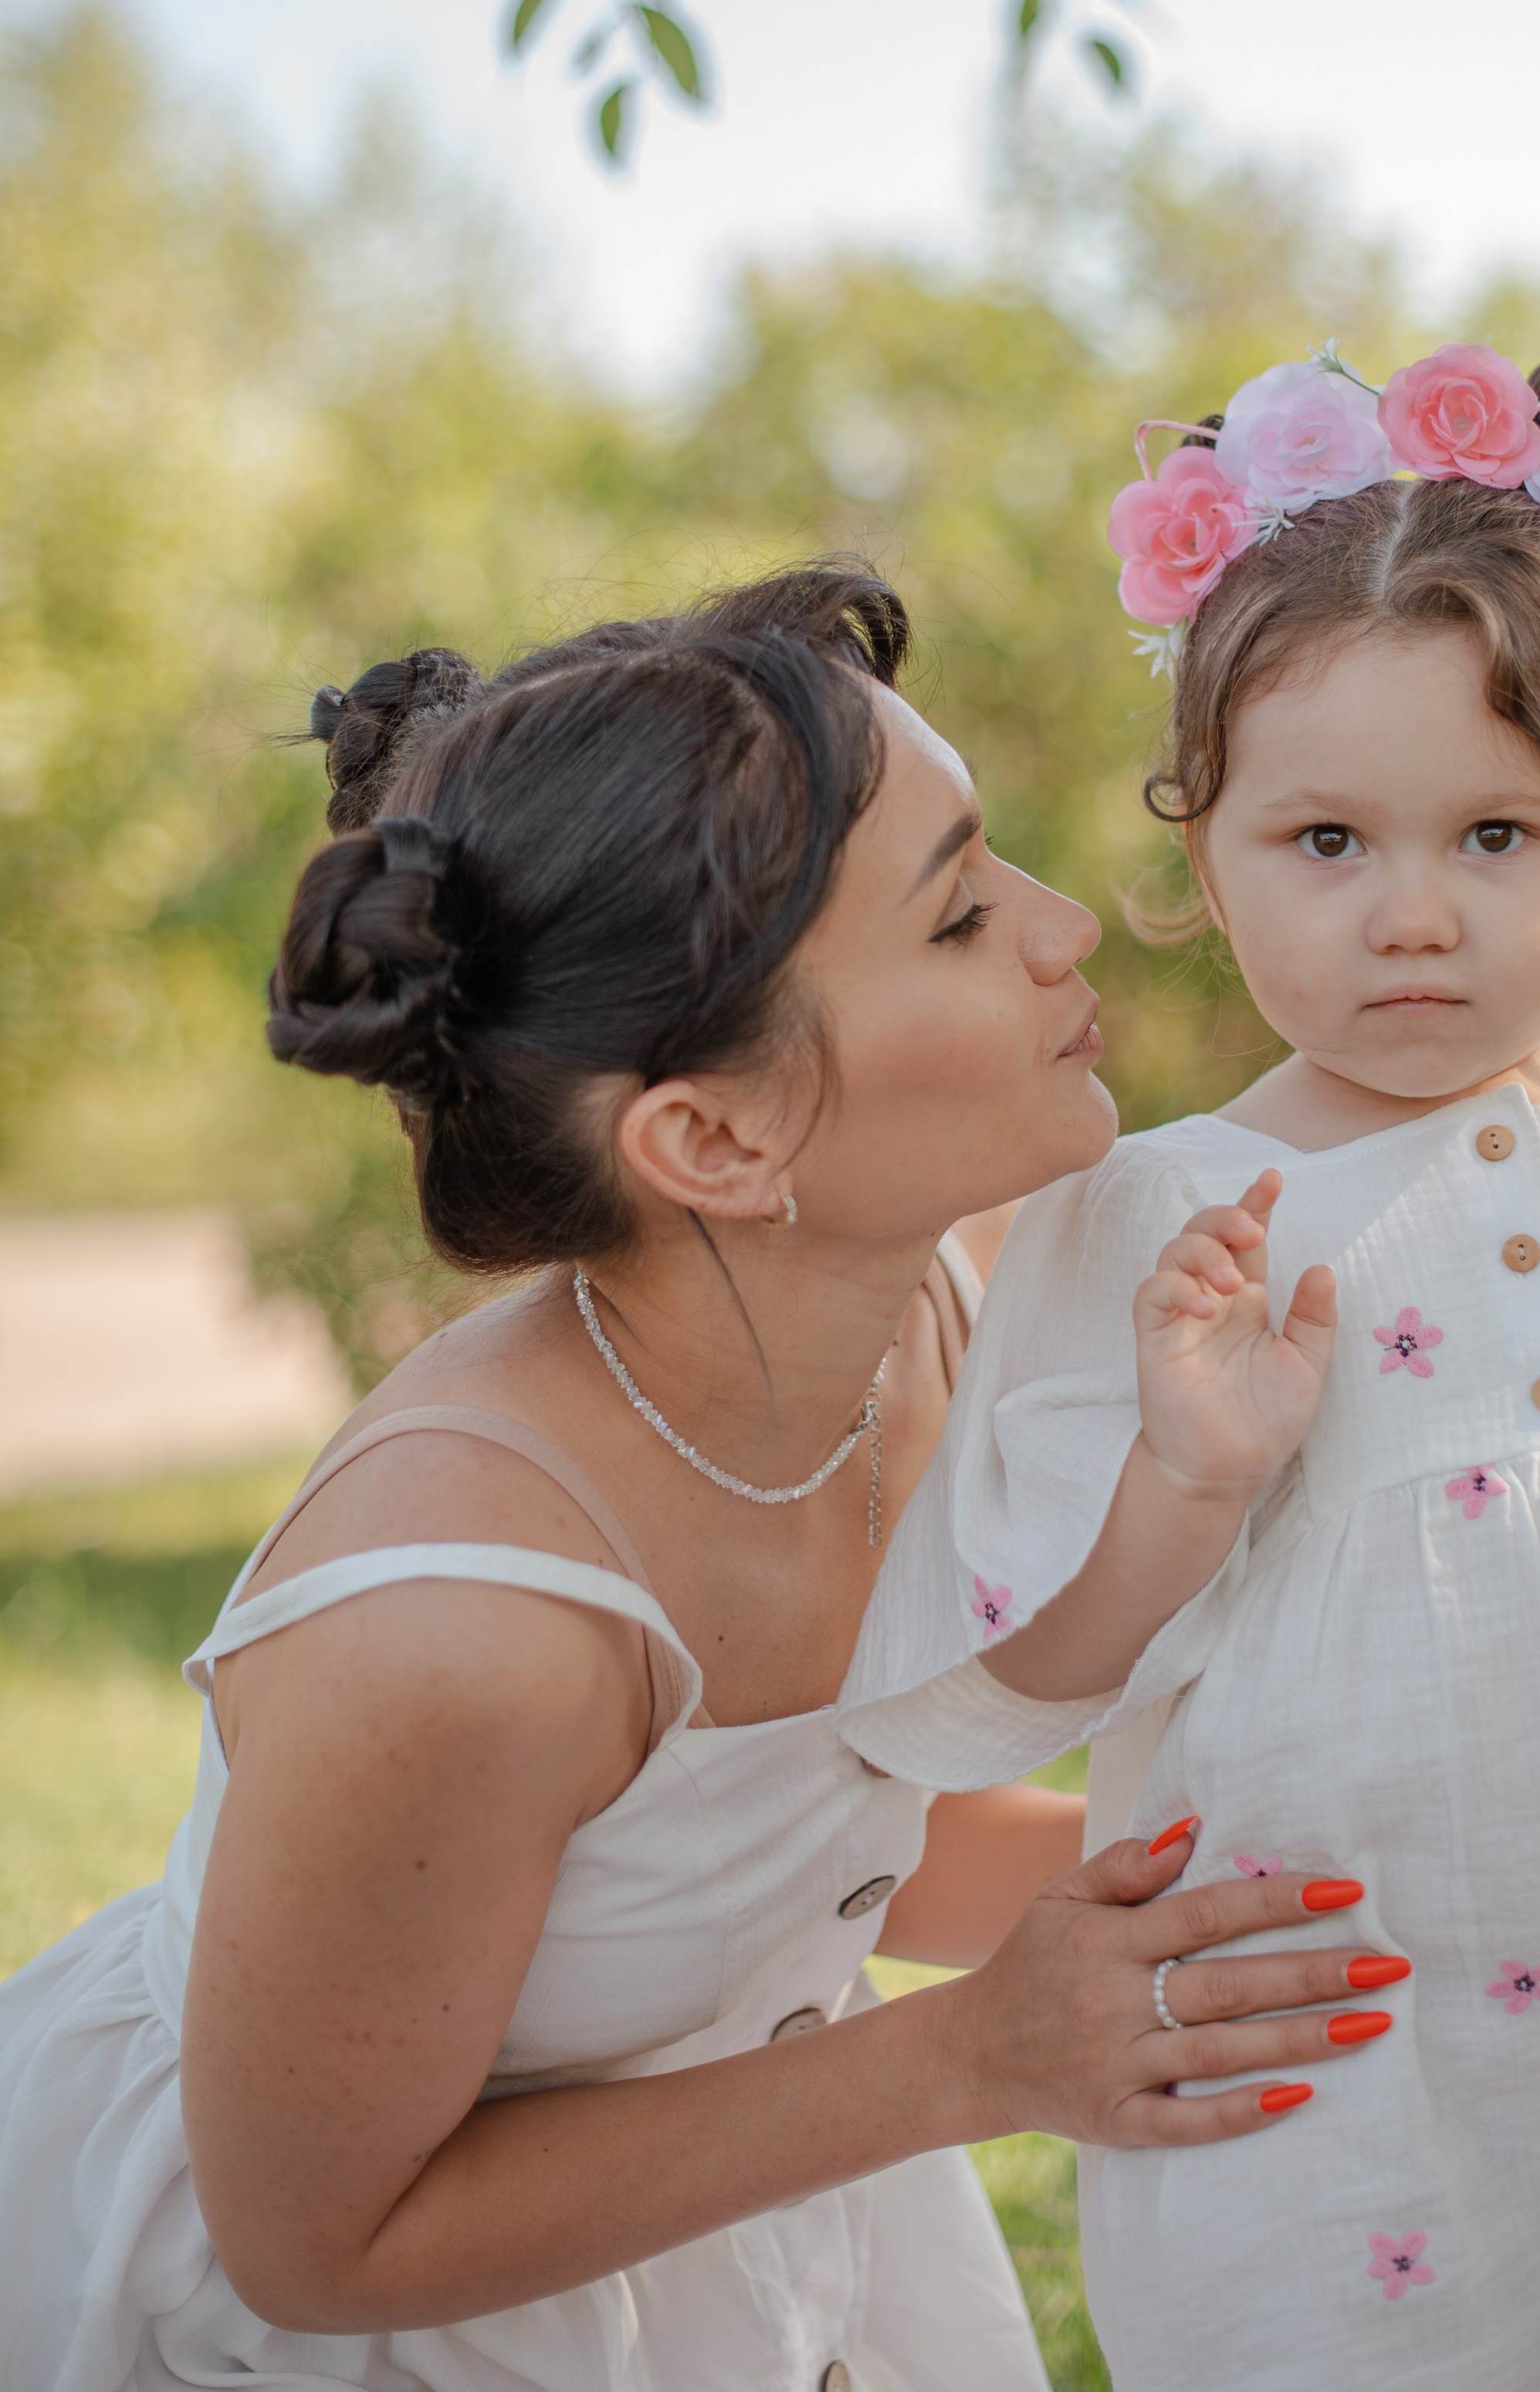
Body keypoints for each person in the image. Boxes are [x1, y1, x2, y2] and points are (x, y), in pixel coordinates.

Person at [0, 564, 1396, 2392]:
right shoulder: (458, 1625)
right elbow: (315, 2242)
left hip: (723, 2190)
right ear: (718, 1137)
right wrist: (974, 2059)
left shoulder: (931, 1322)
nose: (1069, 929)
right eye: (961, 914)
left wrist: (1346, 1880)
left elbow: (780, 1859)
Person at [839, 354, 1540, 2391]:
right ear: (1210, 866)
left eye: (1498, 834)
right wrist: (1183, 1482)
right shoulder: (1150, 1221)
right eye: (1329, 840)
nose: (1418, 915)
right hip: (1352, 2009)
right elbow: (1011, 1674)